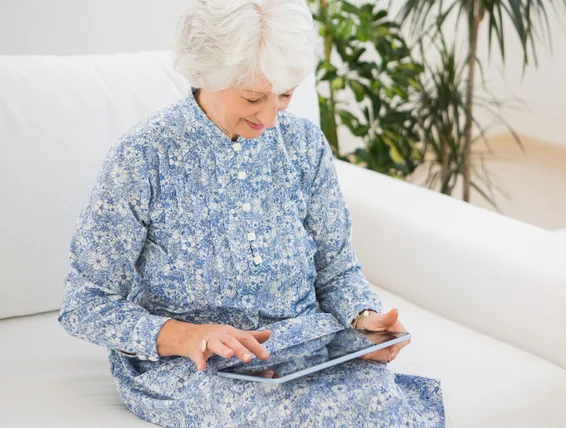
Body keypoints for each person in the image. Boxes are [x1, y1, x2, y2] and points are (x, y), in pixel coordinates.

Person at [57, 0, 445, 426]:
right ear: (207, 74)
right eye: (253, 97)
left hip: (304, 347)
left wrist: (364, 322)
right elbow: (84, 302)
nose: (270, 117)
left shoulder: (305, 145)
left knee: (374, 398)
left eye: (284, 95)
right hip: (195, 366)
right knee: (284, 414)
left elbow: (335, 271)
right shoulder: (143, 158)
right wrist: (188, 336)